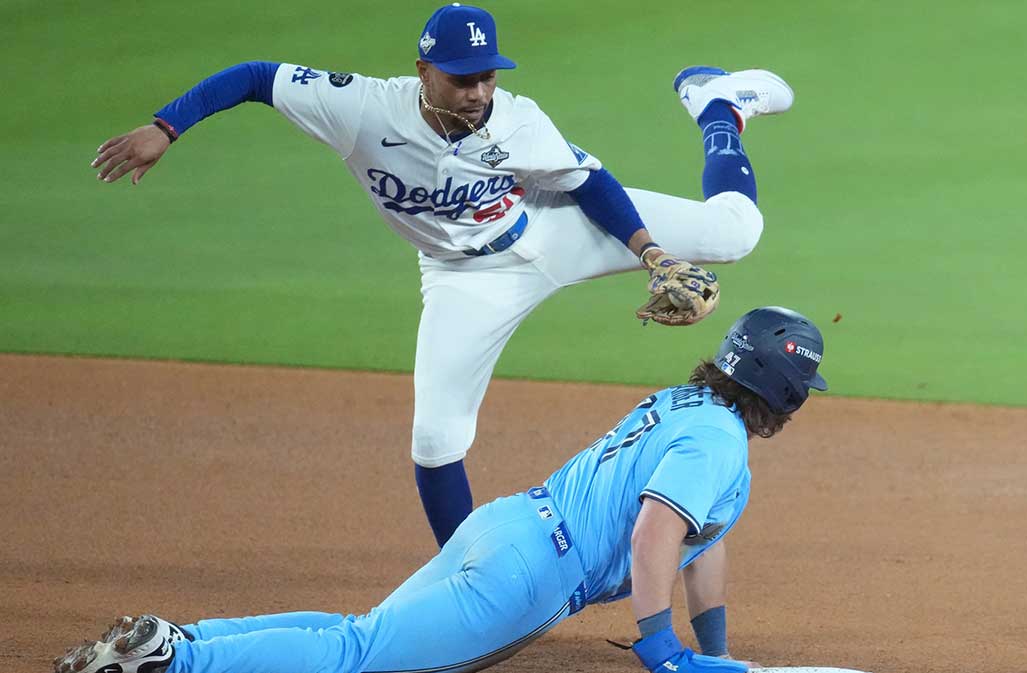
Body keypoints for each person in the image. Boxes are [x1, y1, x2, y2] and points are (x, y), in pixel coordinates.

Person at [89, 3, 795, 546]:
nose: (477, 91)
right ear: (424, 70)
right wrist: (167, 126)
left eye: (487, 76)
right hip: (465, 278)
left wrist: (651, 253)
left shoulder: (518, 120)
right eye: (462, 78)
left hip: (556, 228)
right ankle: (466, 579)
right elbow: (255, 78)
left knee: (739, 230)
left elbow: (589, 180)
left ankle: (718, 107)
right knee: (434, 440)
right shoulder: (360, 107)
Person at [54, 306, 828, 673]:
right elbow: (657, 532)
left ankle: (182, 637)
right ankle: (173, 664)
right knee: (362, 658)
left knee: (359, 632)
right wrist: (661, 645)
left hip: (506, 525)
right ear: (781, 385)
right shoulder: (719, 439)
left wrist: (713, 655)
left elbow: (702, 548)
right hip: (529, 575)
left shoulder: (686, 404)